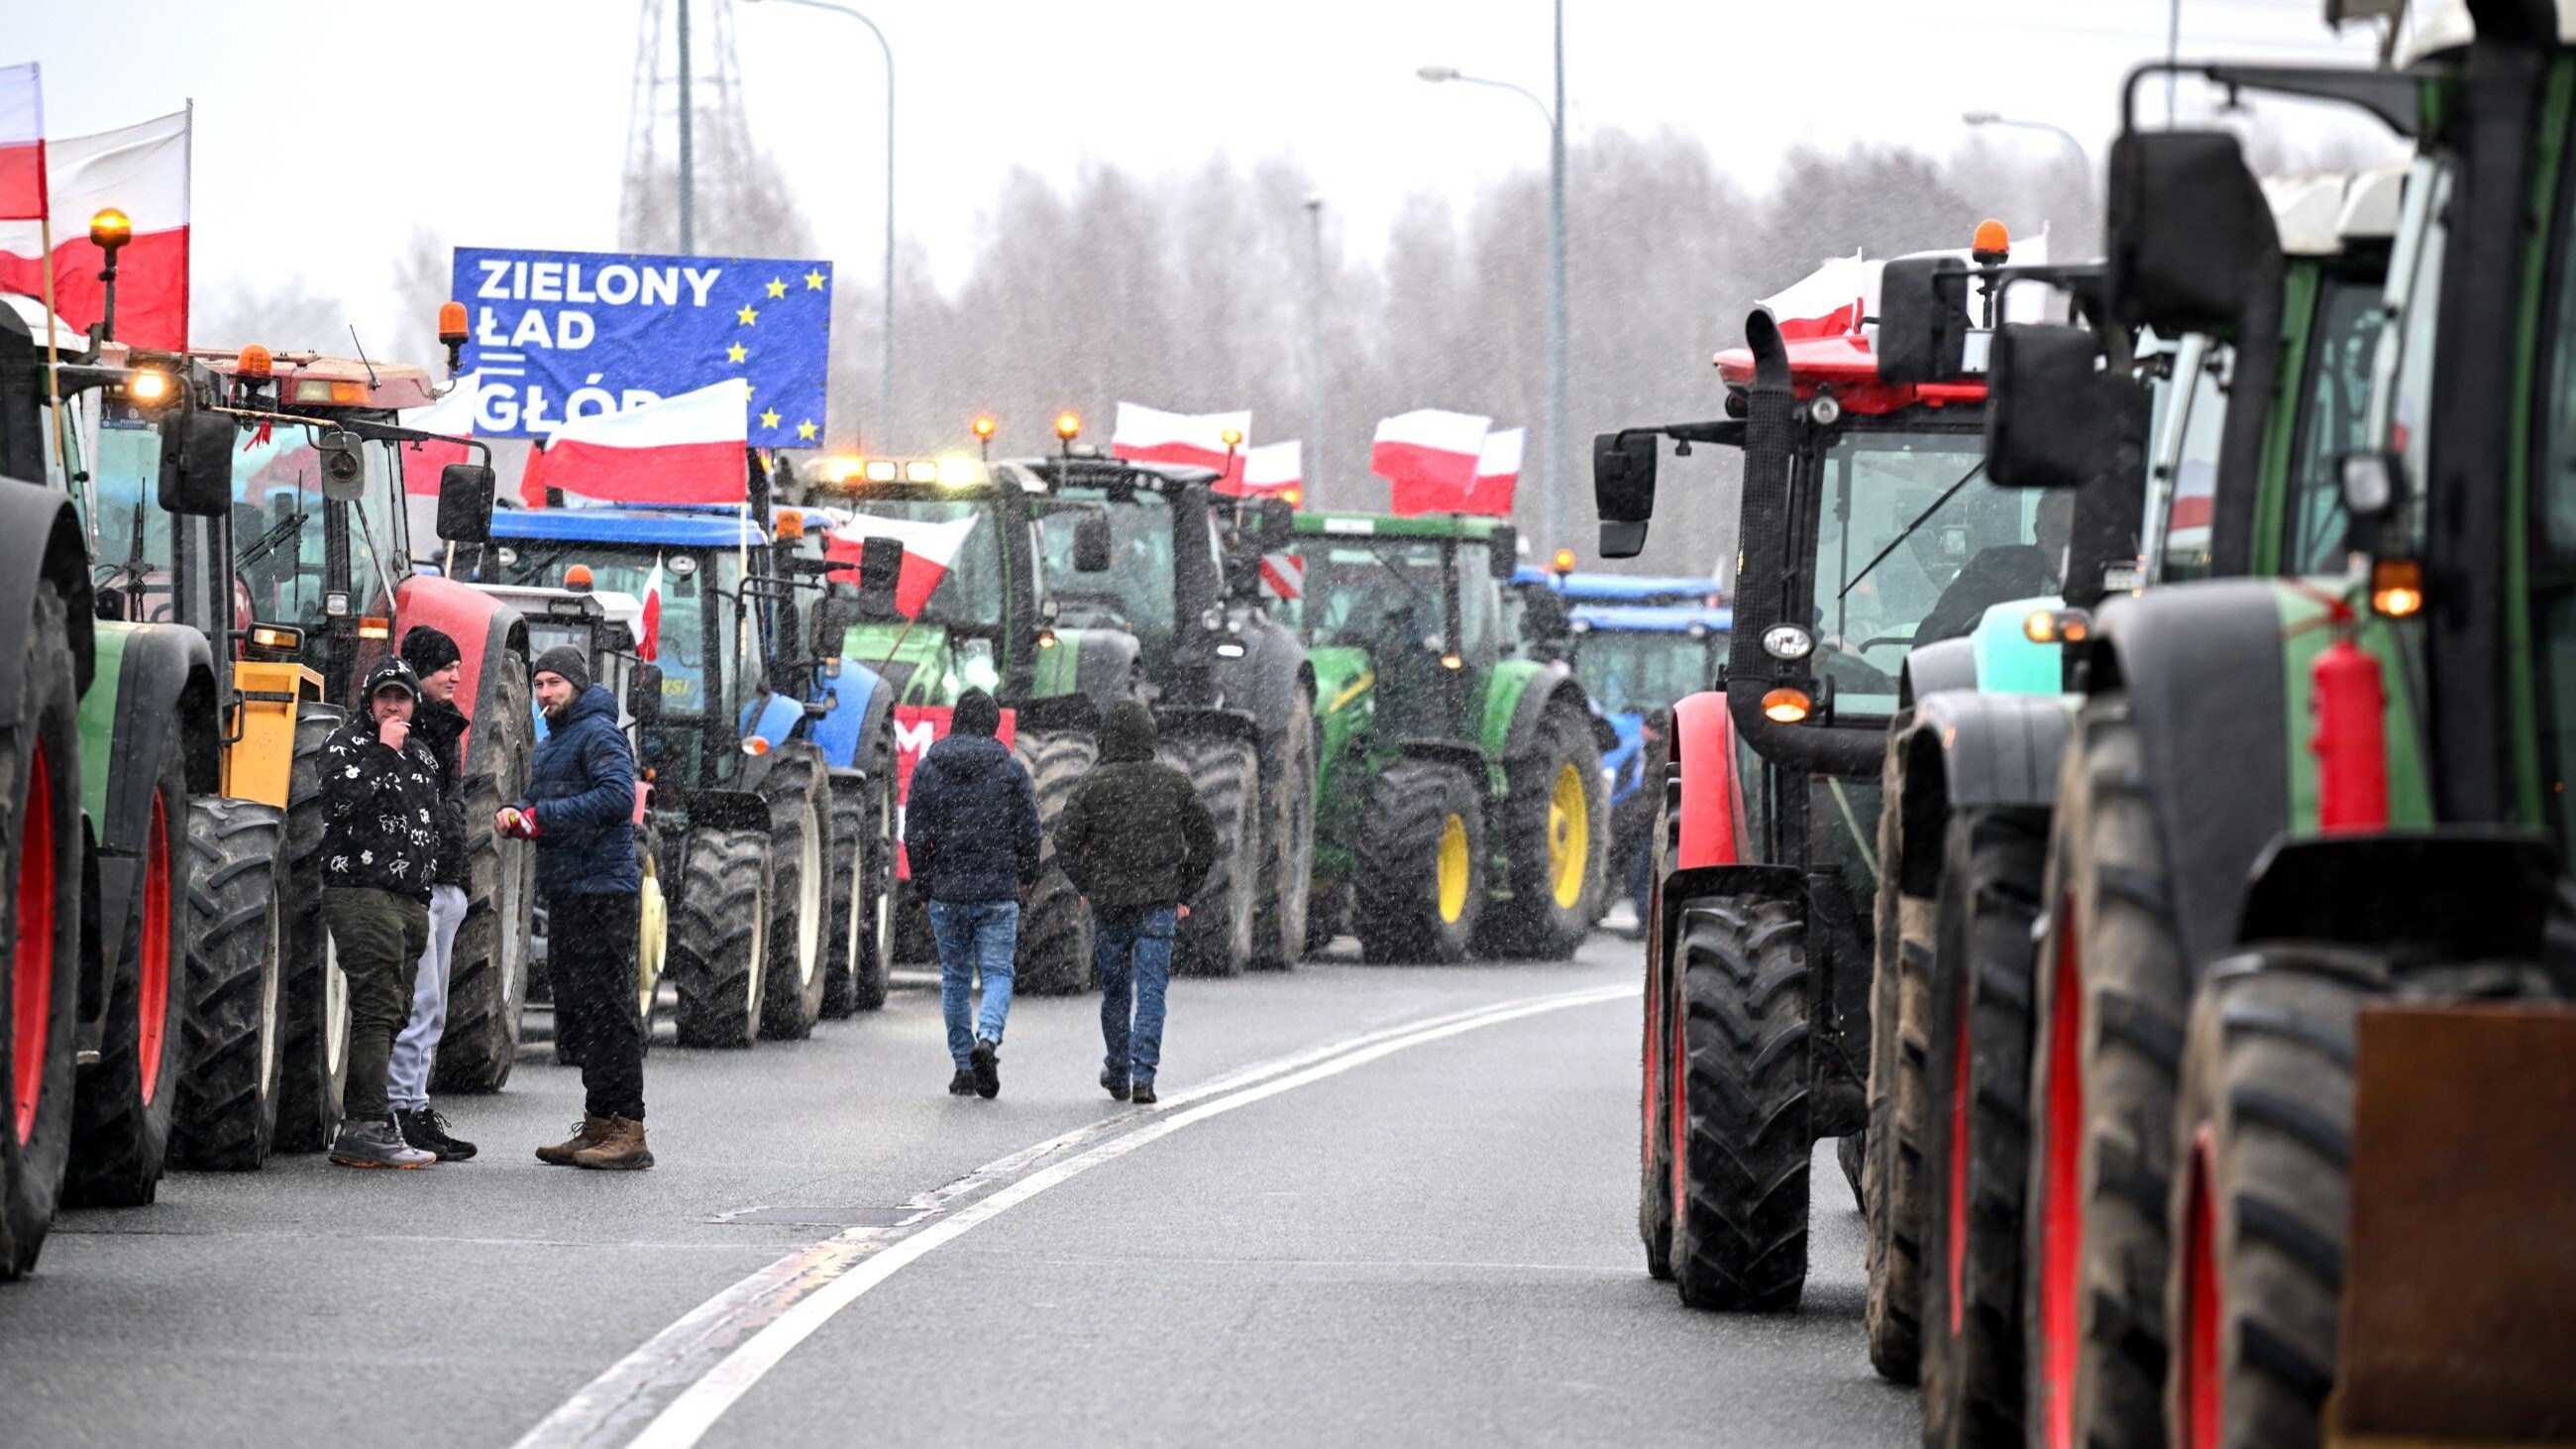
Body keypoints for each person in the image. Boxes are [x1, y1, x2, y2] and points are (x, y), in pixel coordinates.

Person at [502, 645, 652, 1170]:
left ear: (577, 685)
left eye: (553, 684)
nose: (544, 693)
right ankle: (597, 1123)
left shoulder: (599, 734)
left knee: (610, 1010)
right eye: (538, 684)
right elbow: (541, 797)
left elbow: (616, 798)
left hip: (603, 892)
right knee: (581, 1011)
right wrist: (516, 811)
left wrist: (541, 817)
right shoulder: (555, 740)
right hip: (568, 889)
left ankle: (629, 1129)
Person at [1052, 701, 1216, 1107]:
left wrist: (1089, 883)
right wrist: (1185, 891)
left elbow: (1064, 841)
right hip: (1159, 904)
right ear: (1150, 737)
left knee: (1115, 992)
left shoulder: (1093, 784)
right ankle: (1144, 1076)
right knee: (1153, 992)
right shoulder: (1173, 784)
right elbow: (1206, 838)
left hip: (1110, 906)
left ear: (1105, 738)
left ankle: (1119, 1070)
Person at [319, 657, 446, 1169]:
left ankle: (373, 1120)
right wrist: (383, 752)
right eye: (385, 697)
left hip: (409, 897)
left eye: (403, 697)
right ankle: (365, 1124)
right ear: (369, 701)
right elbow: (338, 801)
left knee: (395, 1010)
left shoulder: (424, 754)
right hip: (361, 889)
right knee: (375, 1007)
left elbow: (434, 822)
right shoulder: (348, 744)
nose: (394, 706)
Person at [905, 687, 1040, 1099]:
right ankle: (988, 1039)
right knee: (998, 973)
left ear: (956, 721)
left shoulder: (928, 769)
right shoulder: (1011, 770)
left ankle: (964, 1066)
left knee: (956, 977)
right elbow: (1030, 833)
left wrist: (925, 886)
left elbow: (915, 835)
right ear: (993, 724)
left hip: (946, 894)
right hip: (998, 892)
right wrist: (1026, 877)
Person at [385, 625, 476, 1162]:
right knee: (416, 1004)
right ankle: (400, 1110)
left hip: (445, 882)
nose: (456, 676)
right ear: (419, 673)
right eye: (446, 667)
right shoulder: (399, 732)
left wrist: (458, 879)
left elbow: (453, 809)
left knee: (434, 1007)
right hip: (418, 887)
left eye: (457, 666)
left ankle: (417, 1105)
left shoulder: (444, 732)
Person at [1911, 491, 2076, 645]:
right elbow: (1936, 633)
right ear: (2039, 532)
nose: (2070, 544)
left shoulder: (2102, 583)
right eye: (2059, 532)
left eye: (2082, 532)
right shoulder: (1993, 570)